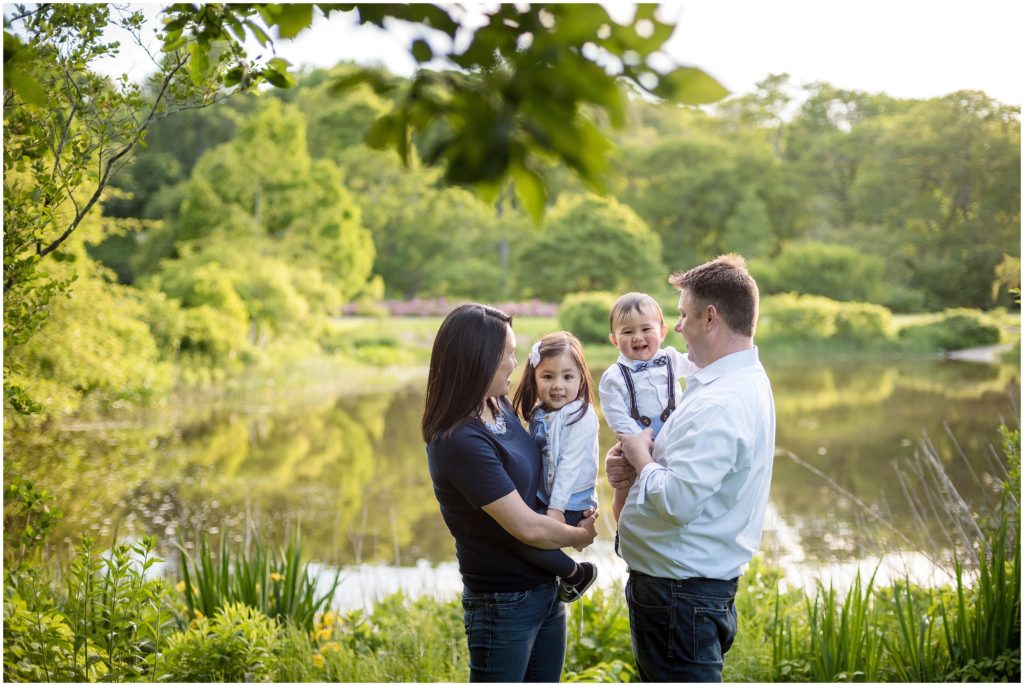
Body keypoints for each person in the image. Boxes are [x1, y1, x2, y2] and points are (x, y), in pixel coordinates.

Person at [605, 255, 776, 683]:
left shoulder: (721, 401)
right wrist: (632, 470)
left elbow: (678, 501)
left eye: (682, 315)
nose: (676, 327)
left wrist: (642, 458)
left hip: (680, 598)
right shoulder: (732, 381)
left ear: (711, 317)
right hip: (683, 592)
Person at [423, 303, 599, 682]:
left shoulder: (498, 404)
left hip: (546, 589)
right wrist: (580, 536)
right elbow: (529, 529)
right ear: (479, 361)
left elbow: (548, 454)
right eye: (509, 355)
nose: (516, 364)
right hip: (503, 603)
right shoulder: (460, 440)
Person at [511, 331, 600, 603]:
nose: (558, 385)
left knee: (523, 539)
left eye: (567, 377)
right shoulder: (540, 413)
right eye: (547, 376)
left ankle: (576, 574)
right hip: (548, 498)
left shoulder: (580, 416)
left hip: (569, 503)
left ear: (581, 378)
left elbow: (569, 466)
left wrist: (556, 510)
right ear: (534, 378)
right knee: (513, 531)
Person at [598, 292, 700, 522]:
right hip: (637, 439)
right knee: (627, 488)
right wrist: (636, 441)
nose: (637, 337)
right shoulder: (614, 376)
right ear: (614, 340)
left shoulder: (672, 359)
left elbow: (700, 366)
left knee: (672, 487)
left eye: (646, 329)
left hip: (675, 435)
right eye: (627, 332)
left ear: (662, 332)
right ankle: (625, 531)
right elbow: (615, 415)